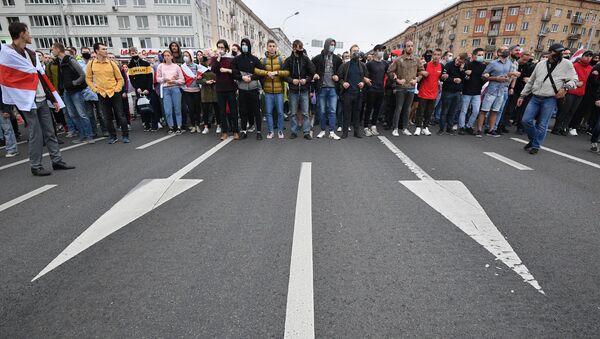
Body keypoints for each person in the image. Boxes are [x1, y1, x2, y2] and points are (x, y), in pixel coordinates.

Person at [0, 22, 74, 175]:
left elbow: (40, 75)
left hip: (41, 98)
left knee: (50, 132)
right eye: (28, 32)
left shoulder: (31, 53)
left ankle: (57, 160)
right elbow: (6, 80)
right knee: (36, 134)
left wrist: (52, 98)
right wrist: (7, 107)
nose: (30, 35)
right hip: (27, 100)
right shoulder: (7, 54)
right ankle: (36, 166)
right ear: (21, 34)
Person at [517, 43, 578, 154]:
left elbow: (574, 80)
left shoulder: (567, 64)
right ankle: (533, 139)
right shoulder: (540, 64)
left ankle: (535, 145)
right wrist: (522, 95)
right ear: (550, 52)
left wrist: (566, 87)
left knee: (542, 124)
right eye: (553, 53)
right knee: (526, 120)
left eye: (559, 53)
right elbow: (531, 81)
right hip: (535, 97)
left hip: (550, 99)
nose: (555, 55)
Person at [51, 42, 95, 144]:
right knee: (72, 114)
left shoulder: (70, 60)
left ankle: (89, 135)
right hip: (66, 91)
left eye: (53, 49)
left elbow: (82, 75)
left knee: (82, 114)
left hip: (75, 91)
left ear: (57, 49)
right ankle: (82, 135)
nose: (52, 51)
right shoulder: (58, 62)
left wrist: (74, 83)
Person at [86, 42, 129, 144]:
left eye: (106, 49)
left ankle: (125, 135)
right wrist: (95, 89)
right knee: (107, 116)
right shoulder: (91, 64)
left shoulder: (111, 63)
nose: (106, 51)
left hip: (114, 92)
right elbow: (88, 79)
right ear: (97, 51)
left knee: (120, 115)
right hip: (101, 94)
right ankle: (113, 136)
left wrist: (117, 89)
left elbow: (120, 79)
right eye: (103, 49)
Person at [387, 40, 425, 136]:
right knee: (399, 108)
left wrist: (417, 79)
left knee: (407, 109)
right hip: (400, 88)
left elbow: (422, 71)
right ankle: (395, 128)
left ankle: (405, 128)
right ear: (405, 47)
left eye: (412, 46)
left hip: (411, 88)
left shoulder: (416, 60)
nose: (410, 48)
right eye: (408, 46)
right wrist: (397, 80)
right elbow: (389, 71)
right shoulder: (398, 60)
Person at [254, 39, 290, 139]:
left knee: (280, 112)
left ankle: (280, 130)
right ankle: (270, 131)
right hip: (268, 91)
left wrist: (277, 73)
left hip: (279, 91)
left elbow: (287, 72)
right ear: (267, 47)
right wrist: (267, 73)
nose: (272, 48)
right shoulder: (263, 60)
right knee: (268, 112)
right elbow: (256, 70)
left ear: (276, 47)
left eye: (273, 46)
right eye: (270, 46)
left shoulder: (281, 60)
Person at [475, 46, 514, 137]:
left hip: (501, 90)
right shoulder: (493, 63)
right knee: (484, 110)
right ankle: (479, 130)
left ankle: (491, 130)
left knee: (495, 111)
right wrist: (495, 78)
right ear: (499, 53)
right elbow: (484, 76)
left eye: (507, 50)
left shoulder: (509, 63)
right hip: (492, 90)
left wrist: (508, 77)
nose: (507, 51)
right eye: (504, 50)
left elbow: (508, 75)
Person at [552, 50, 593, 136]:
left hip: (581, 93)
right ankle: (557, 128)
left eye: (590, 56)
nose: (588, 58)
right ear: (582, 56)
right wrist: (575, 83)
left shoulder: (590, 68)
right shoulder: (575, 65)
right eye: (586, 56)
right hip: (571, 91)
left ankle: (564, 127)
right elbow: (567, 76)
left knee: (572, 111)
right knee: (564, 110)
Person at [231, 38, 265, 140]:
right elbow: (234, 72)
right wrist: (241, 77)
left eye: (246, 44)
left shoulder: (254, 59)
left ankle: (259, 131)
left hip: (253, 88)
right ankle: (244, 131)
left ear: (249, 46)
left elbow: (261, 72)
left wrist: (252, 78)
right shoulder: (236, 59)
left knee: (256, 111)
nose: (244, 46)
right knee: (243, 111)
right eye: (242, 44)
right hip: (242, 89)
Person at [283, 39, 316, 140]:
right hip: (293, 90)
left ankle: (306, 132)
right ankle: (294, 131)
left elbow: (312, 73)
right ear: (293, 48)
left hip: (304, 90)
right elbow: (283, 74)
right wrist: (291, 80)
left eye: (301, 48)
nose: (299, 50)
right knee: (293, 112)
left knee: (305, 112)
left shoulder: (306, 59)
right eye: (297, 48)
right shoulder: (288, 60)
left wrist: (306, 80)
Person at [311, 38, 343, 140]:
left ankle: (332, 132)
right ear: (326, 45)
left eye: (334, 44)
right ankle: (323, 130)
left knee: (332, 111)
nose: (332, 46)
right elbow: (310, 68)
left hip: (333, 88)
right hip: (322, 88)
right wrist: (314, 74)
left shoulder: (337, 59)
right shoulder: (318, 58)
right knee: (322, 111)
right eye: (331, 44)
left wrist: (338, 76)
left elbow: (341, 72)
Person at [337, 44, 370, 138]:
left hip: (358, 93)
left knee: (357, 113)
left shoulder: (363, 65)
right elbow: (339, 77)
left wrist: (363, 82)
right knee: (346, 113)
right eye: (354, 51)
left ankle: (356, 132)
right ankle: (345, 133)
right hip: (347, 93)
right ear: (350, 53)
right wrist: (343, 83)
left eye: (357, 51)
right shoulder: (345, 65)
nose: (356, 53)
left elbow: (366, 76)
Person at [211, 39, 240, 140]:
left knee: (233, 111)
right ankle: (224, 132)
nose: (220, 49)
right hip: (220, 88)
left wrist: (228, 70)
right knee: (222, 112)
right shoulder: (215, 59)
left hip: (230, 87)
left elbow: (236, 72)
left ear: (226, 48)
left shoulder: (231, 59)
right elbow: (214, 70)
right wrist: (218, 57)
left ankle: (236, 131)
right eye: (218, 47)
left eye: (222, 47)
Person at [128, 46, 160, 131]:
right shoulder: (130, 65)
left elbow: (150, 78)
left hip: (148, 89)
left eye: (135, 52)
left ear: (138, 52)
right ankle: (146, 124)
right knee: (142, 108)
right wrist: (137, 88)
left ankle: (154, 124)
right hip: (139, 90)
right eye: (132, 53)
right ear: (130, 54)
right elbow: (132, 79)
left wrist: (148, 89)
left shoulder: (146, 63)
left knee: (152, 107)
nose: (134, 54)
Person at [414, 48, 443, 136]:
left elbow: (441, 77)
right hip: (423, 92)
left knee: (429, 112)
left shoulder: (441, 66)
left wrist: (445, 77)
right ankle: (418, 127)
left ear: (440, 56)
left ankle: (425, 128)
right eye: (435, 54)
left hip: (434, 93)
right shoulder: (426, 65)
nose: (436, 56)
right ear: (432, 55)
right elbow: (418, 73)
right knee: (420, 111)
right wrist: (422, 73)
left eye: (438, 55)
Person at [157, 50, 185, 135]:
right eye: (165, 55)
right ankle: (171, 127)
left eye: (168, 55)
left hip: (175, 88)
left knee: (177, 109)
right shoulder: (160, 66)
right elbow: (158, 79)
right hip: (166, 89)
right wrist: (164, 79)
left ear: (172, 57)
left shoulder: (176, 66)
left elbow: (182, 80)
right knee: (168, 110)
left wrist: (174, 81)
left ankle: (179, 127)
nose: (166, 57)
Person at [459, 48, 487, 135]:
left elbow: (484, 79)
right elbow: (463, 77)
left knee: (475, 111)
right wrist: (466, 74)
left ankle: (469, 126)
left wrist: (485, 77)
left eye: (482, 55)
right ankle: (462, 127)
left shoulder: (484, 66)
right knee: (464, 110)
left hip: (477, 92)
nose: (481, 57)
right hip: (467, 91)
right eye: (479, 55)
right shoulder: (468, 65)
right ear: (474, 56)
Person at [438, 52, 466, 135]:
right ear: (456, 57)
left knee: (453, 111)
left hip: (457, 92)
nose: (458, 62)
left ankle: (449, 129)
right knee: (444, 111)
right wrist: (453, 80)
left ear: (463, 62)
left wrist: (462, 71)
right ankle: (441, 129)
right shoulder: (449, 65)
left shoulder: (463, 67)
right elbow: (443, 78)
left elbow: (465, 79)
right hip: (447, 91)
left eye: (460, 62)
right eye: (457, 60)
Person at [363, 44, 388, 136]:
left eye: (383, 50)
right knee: (369, 109)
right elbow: (363, 74)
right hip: (371, 90)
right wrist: (365, 79)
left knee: (377, 109)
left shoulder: (385, 63)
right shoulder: (369, 64)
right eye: (380, 50)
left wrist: (395, 76)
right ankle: (366, 127)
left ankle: (373, 126)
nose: (382, 52)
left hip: (381, 90)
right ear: (376, 51)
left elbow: (389, 73)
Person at [182, 50, 202, 133]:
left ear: (190, 56)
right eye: (184, 55)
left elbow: (201, 74)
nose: (185, 57)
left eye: (187, 55)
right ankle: (193, 125)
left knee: (197, 108)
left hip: (196, 90)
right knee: (191, 109)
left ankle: (198, 125)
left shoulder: (197, 66)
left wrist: (200, 77)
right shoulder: (183, 67)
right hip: (187, 90)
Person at [199, 56, 219, 135]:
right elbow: (198, 79)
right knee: (205, 111)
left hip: (215, 91)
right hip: (205, 92)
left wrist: (215, 80)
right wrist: (206, 81)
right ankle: (206, 126)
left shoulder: (215, 66)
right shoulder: (200, 68)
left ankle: (219, 125)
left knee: (217, 110)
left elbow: (220, 76)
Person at [0, 85, 19, 157]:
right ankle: (11, 149)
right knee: (7, 129)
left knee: (7, 129)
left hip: (2, 108)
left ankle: (12, 149)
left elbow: (5, 94)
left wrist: (6, 110)